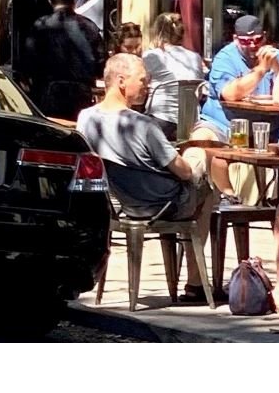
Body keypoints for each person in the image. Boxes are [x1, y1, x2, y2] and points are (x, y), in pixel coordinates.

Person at [77, 53, 216, 304]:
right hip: (164, 202)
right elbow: (184, 172)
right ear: (121, 81)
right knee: (203, 177)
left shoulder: (86, 118)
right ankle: (195, 282)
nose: (147, 86)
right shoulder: (143, 125)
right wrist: (194, 160)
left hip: (122, 203)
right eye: (142, 80)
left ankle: (187, 279)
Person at [194, 14, 279, 201]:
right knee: (199, 143)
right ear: (236, 39)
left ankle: (278, 201)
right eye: (246, 41)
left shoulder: (275, 56)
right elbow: (229, 94)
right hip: (223, 123)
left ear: (264, 37)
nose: (252, 45)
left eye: (257, 40)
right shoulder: (225, 58)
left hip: (266, 128)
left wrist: (277, 69)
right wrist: (260, 70)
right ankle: (225, 198)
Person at [19, 0, 104, 122]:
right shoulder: (90, 27)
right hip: (81, 96)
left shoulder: (40, 26)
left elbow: (28, 64)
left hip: (49, 94)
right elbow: (100, 65)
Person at [142, 11, 207, 135]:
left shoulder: (152, 56)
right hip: (189, 121)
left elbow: (141, 83)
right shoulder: (195, 57)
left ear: (157, 33)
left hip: (160, 118)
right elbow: (198, 91)